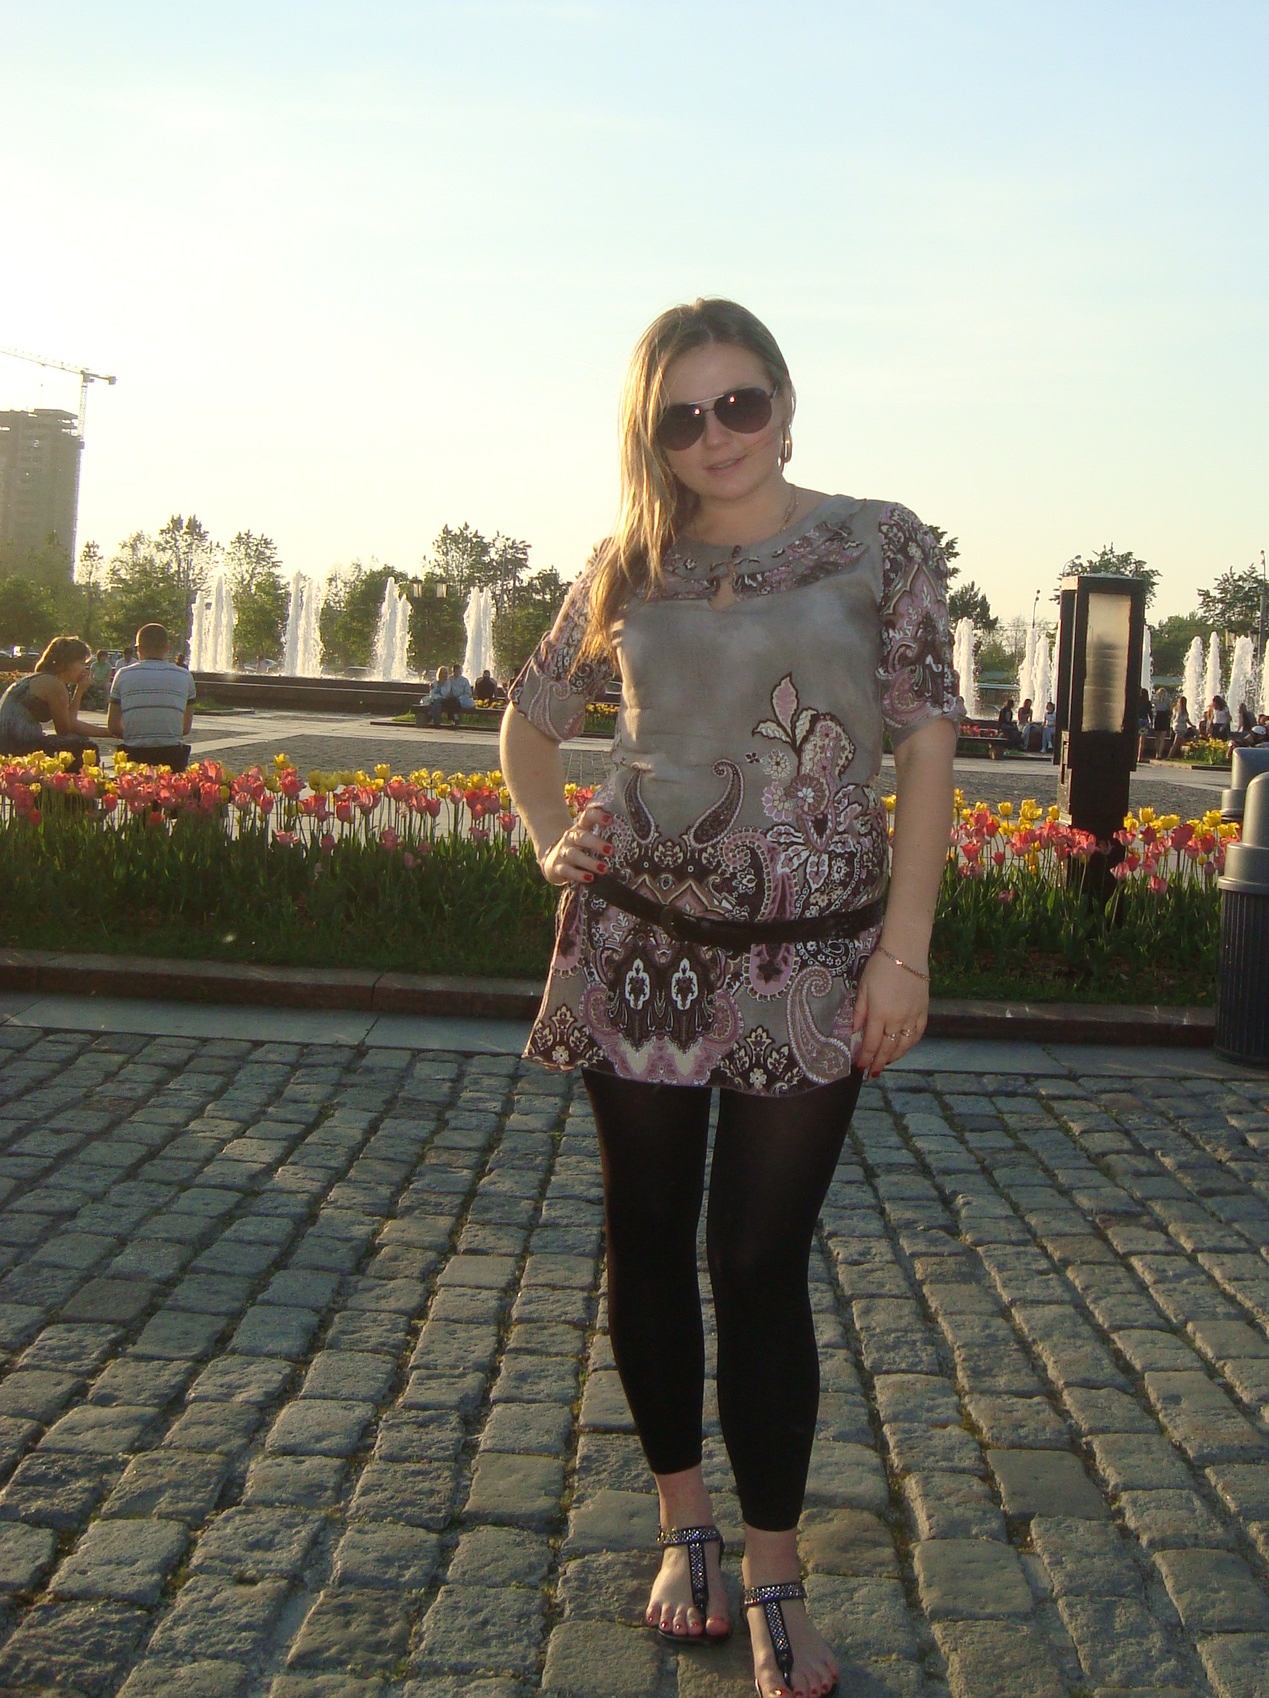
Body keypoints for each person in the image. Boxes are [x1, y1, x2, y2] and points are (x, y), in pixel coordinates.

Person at [500, 299, 959, 1698]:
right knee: (646, 1238)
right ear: (653, 433)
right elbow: (531, 720)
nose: (717, 435)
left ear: (786, 401)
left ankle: (775, 1570)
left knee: (760, 1261)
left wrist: (904, 952)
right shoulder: (627, 564)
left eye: (740, 403)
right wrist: (551, 840)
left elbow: (927, 747)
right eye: (683, 415)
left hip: (813, 960)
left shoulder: (881, 543)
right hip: (637, 947)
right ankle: (683, 1526)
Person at [108, 623, 196, 767]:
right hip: (172, 756)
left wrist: (136, 735)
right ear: (167, 648)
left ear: (139, 649)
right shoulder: (185, 676)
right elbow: (185, 729)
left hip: (135, 754)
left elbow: (113, 727)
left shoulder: (123, 675)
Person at [0, 636, 97, 762]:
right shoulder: (55, 685)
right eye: (82, 663)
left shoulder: (37, 678)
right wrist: (79, 692)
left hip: (7, 740)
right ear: (66, 663)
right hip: (18, 744)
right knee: (85, 746)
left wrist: (109, 732)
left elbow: (69, 723)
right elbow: (65, 729)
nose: (84, 669)